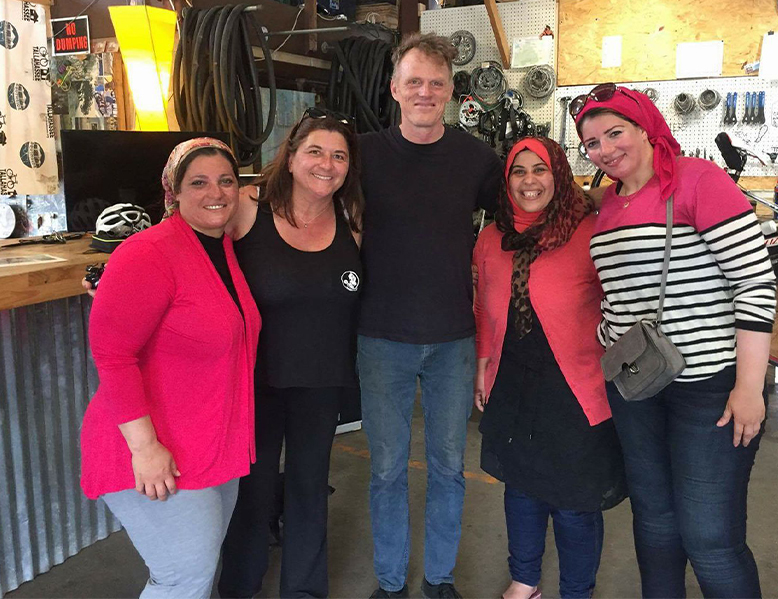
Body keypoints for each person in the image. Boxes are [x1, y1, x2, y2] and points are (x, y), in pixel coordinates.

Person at [572, 84, 776, 598]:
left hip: (708, 387)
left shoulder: (697, 180)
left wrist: (749, 387)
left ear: (645, 127)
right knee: (655, 525)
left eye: (615, 133)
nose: (605, 149)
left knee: (710, 538)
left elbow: (754, 283)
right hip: (635, 385)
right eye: (592, 143)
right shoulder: (606, 203)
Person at [79, 138, 261, 599]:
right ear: (173, 191)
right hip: (153, 448)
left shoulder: (221, 248)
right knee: (183, 578)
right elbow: (113, 355)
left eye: (226, 181)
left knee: (196, 573)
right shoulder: (150, 251)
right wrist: (145, 449)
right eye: (198, 182)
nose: (215, 192)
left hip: (208, 443)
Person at [356, 33, 503, 599]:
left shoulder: (476, 159)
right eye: (414, 81)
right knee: (386, 470)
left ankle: (439, 580)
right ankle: (391, 584)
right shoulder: (361, 154)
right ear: (395, 89)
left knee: (447, 468)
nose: (424, 92)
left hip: (452, 340)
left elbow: (527, 208)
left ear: (449, 91)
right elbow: (302, 195)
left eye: (436, 83)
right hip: (381, 337)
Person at [217, 108, 364, 599]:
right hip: (255, 379)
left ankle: (304, 591)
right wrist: (122, 277)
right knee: (253, 491)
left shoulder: (350, 216)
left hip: (321, 380)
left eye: (339, 156)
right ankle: (239, 588)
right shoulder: (246, 206)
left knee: (308, 489)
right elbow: (186, 248)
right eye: (316, 151)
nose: (327, 164)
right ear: (292, 154)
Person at [473, 136, 627, 599]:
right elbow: (483, 307)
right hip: (512, 381)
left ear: (558, 176)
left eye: (539, 169)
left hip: (576, 387)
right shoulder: (491, 237)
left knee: (575, 501)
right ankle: (524, 581)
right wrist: (483, 364)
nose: (529, 181)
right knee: (521, 488)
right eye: (518, 171)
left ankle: (576, 591)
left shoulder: (590, 231)